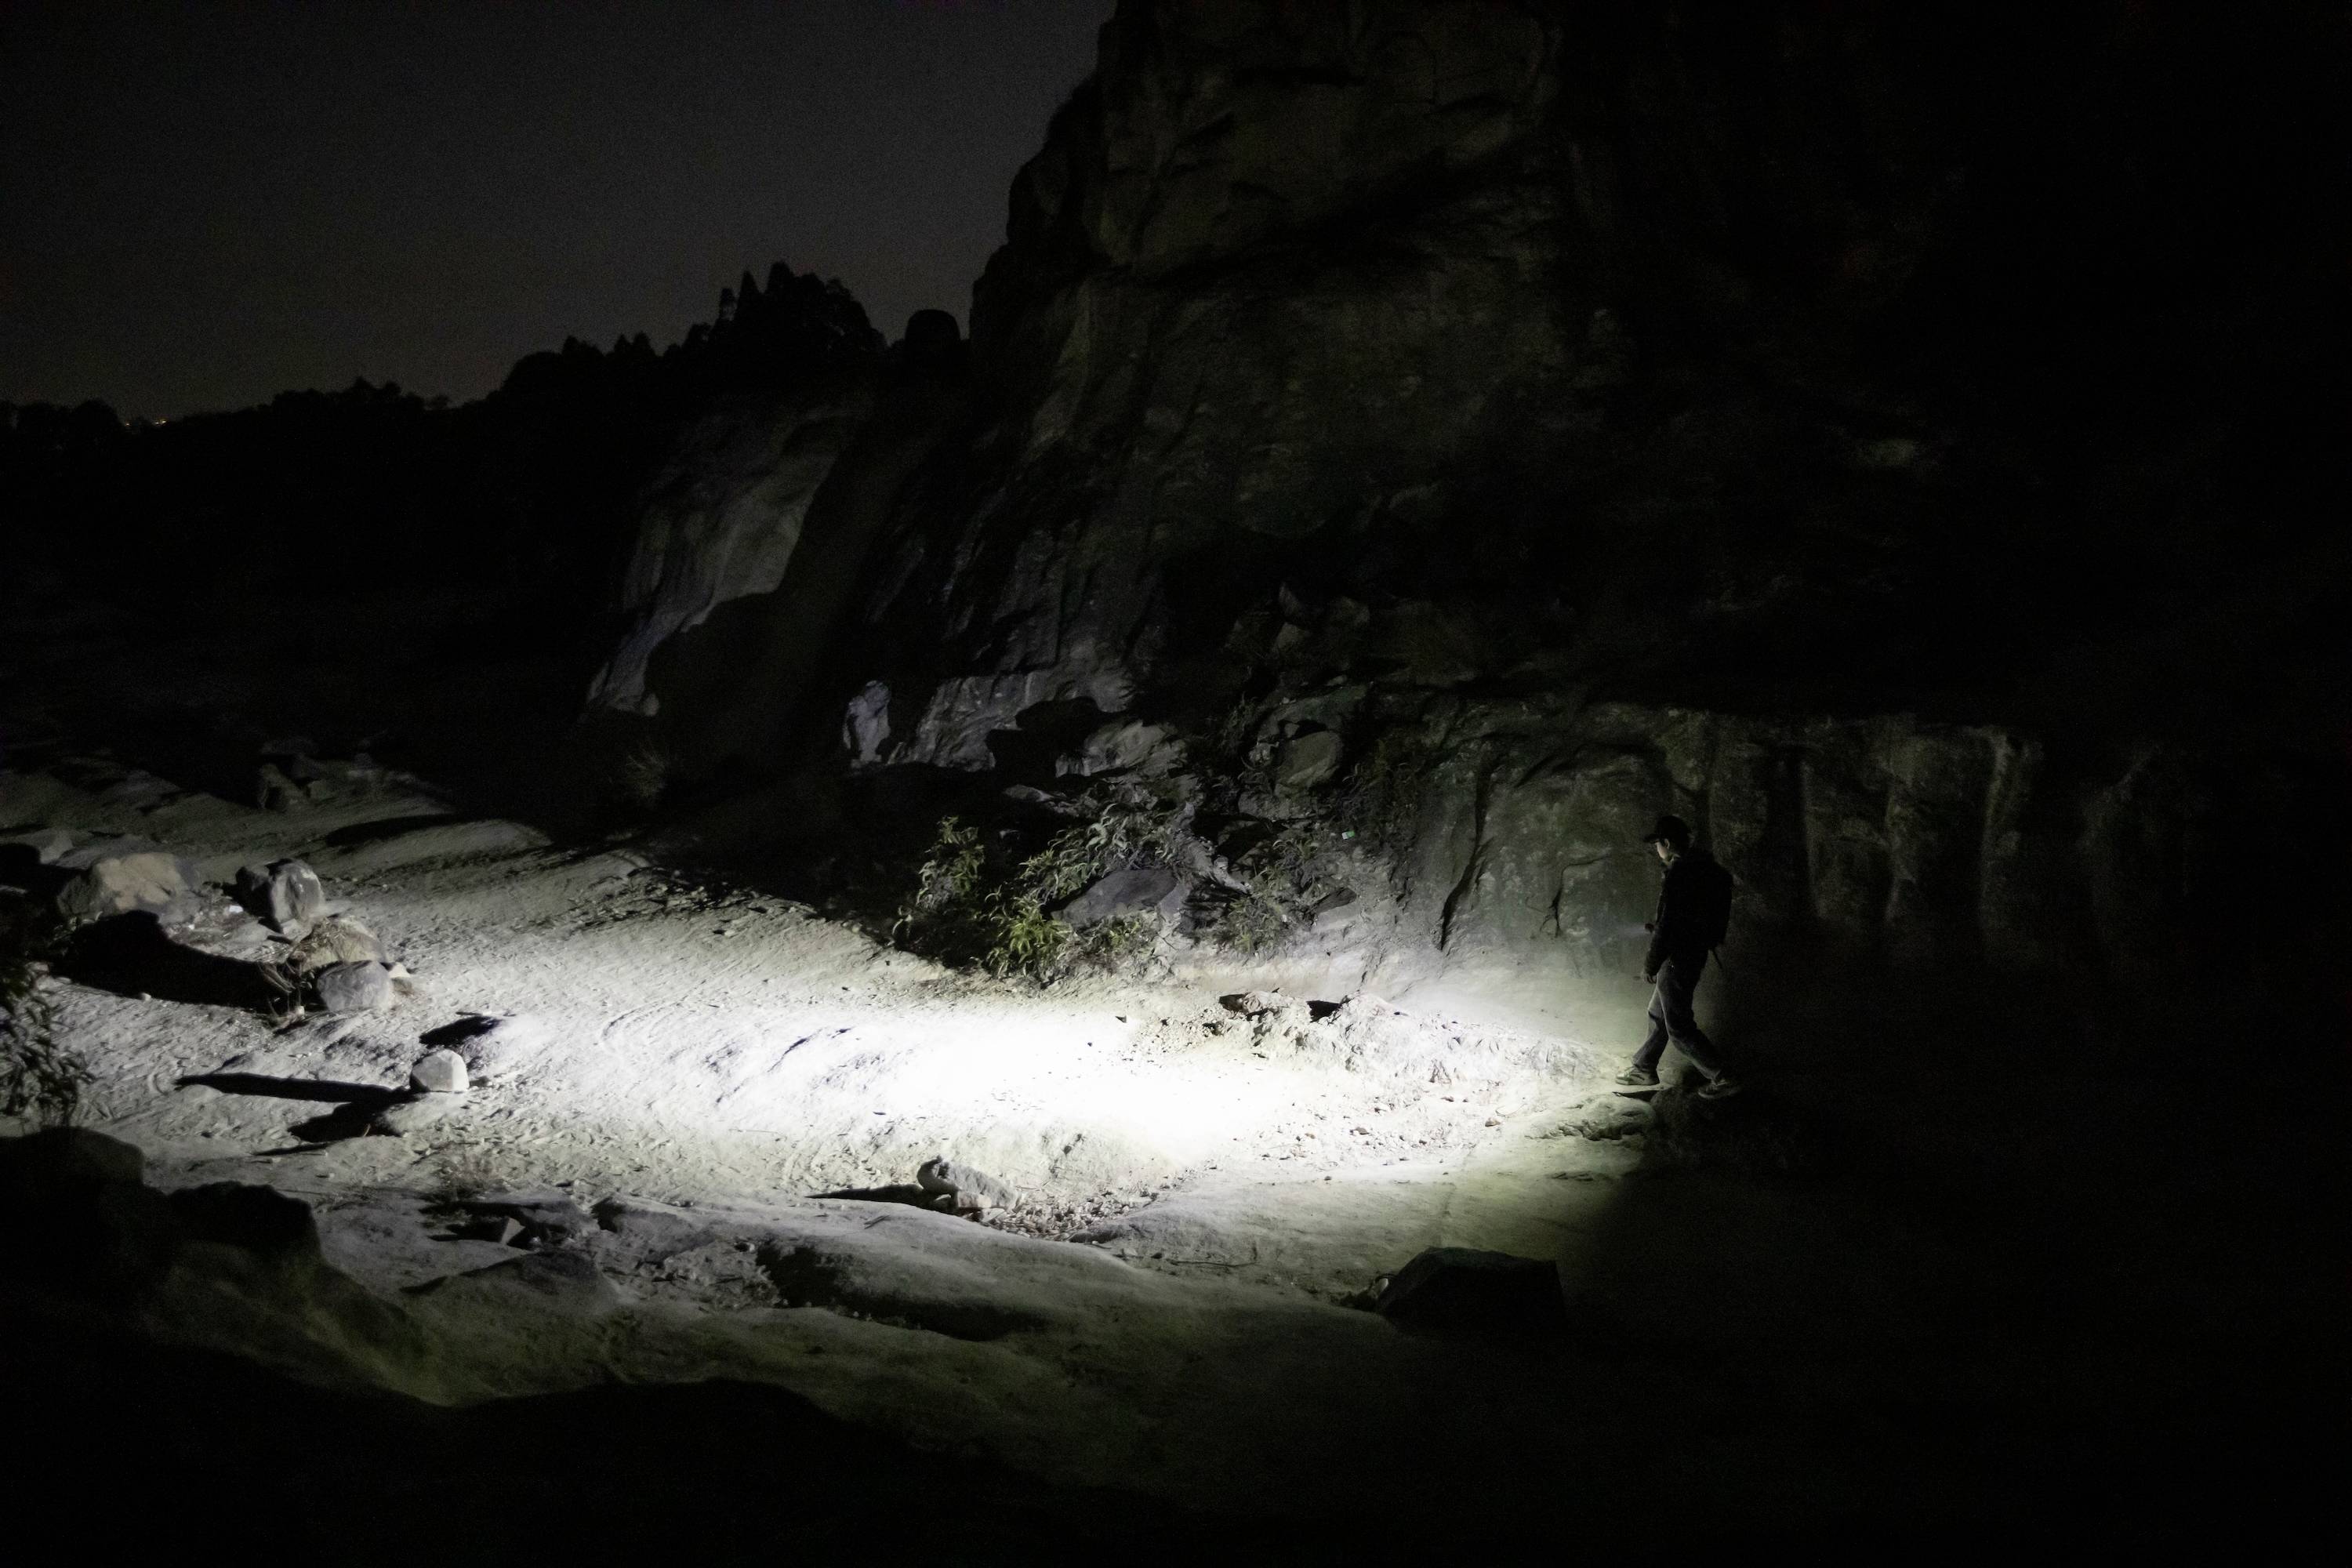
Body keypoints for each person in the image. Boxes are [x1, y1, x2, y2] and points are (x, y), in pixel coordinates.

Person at [1615, 814, 1741, 1098]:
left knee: (1679, 1027)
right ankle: (1643, 1067)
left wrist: (1651, 964)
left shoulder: (1681, 873)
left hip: (1677, 958)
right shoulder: (1706, 870)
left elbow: (1669, 927)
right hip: (1694, 952)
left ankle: (1723, 1077)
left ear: (1667, 843)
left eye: (1657, 845)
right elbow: (1688, 918)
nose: (1657, 851)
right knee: (1659, 1013)